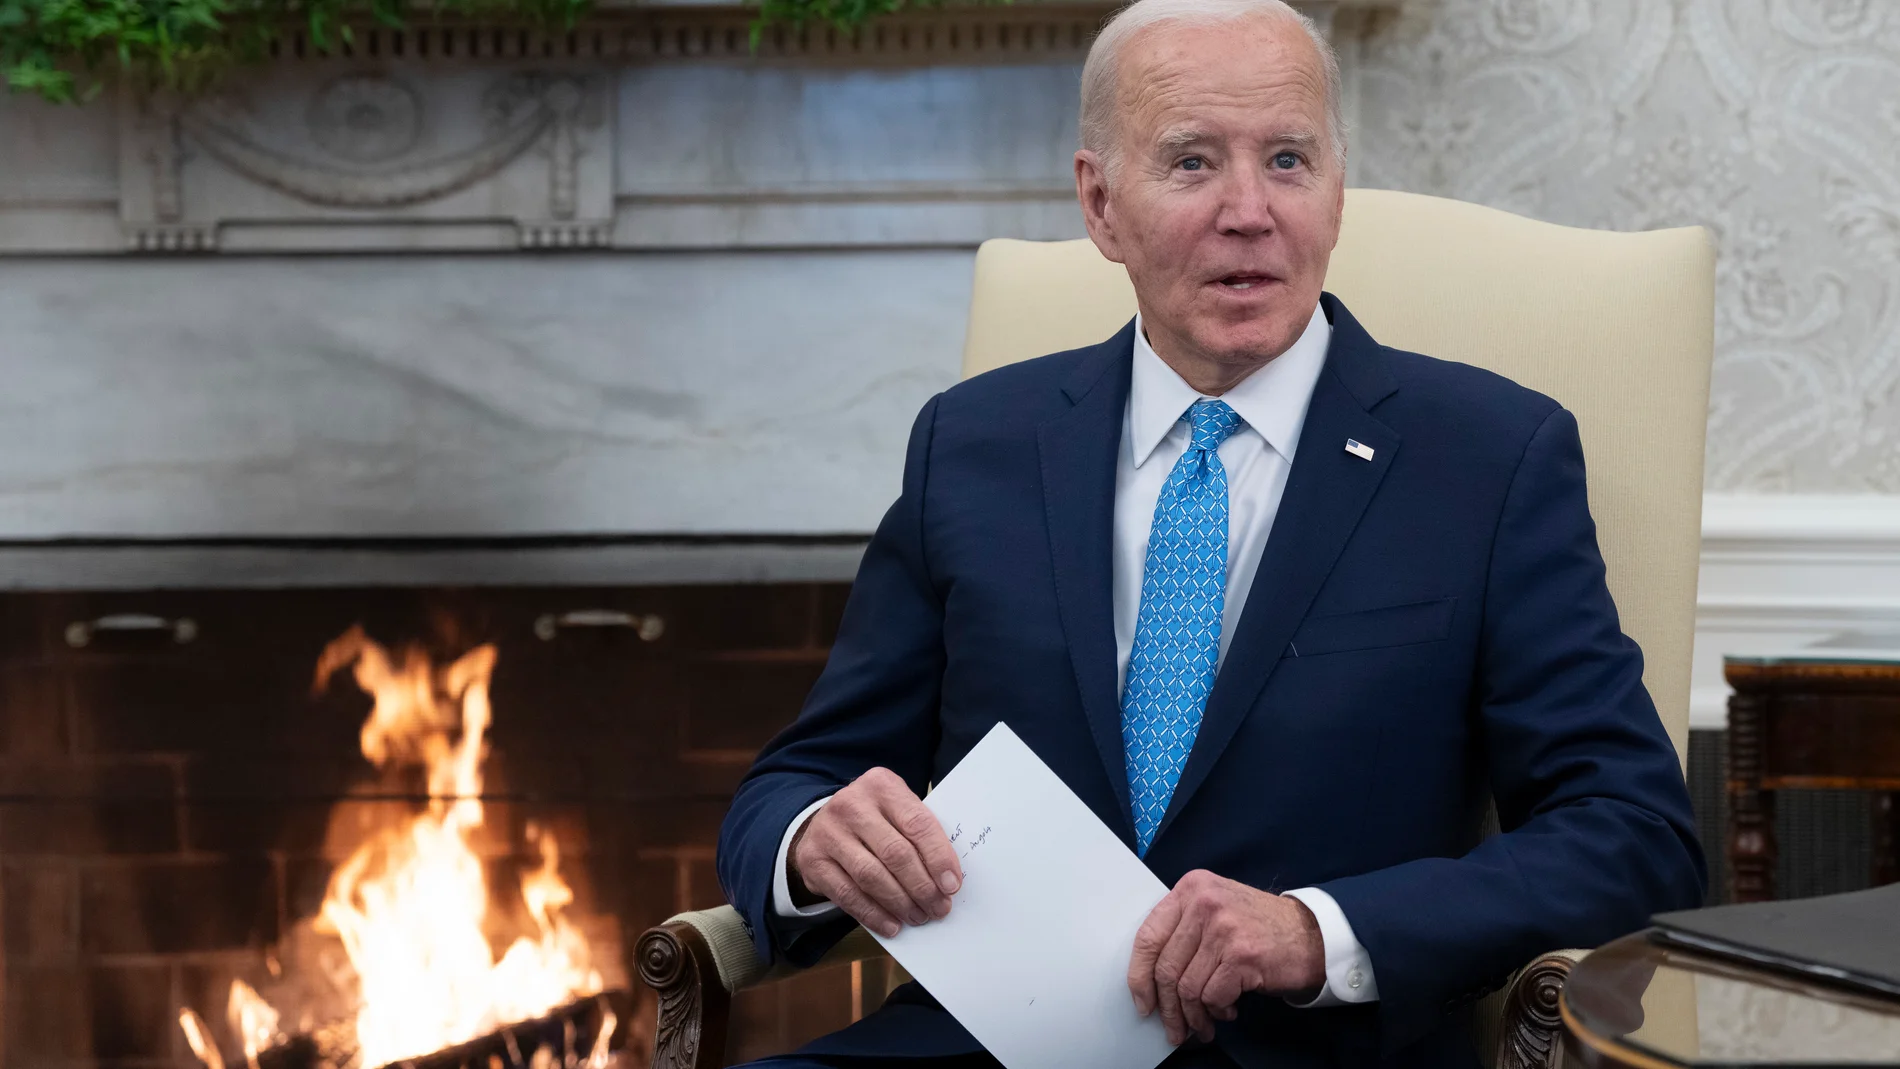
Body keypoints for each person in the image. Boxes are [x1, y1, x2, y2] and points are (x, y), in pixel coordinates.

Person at [715, 0, 1706, 1064]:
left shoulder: (1491, 457)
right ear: (1101, 204)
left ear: (1333, 189)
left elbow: (1632, 833)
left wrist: (1318, 932)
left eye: (1288, 159)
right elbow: (796, 779)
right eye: (1192, 163)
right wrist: (813, 839)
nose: (1250, 210)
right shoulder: (972, 443)